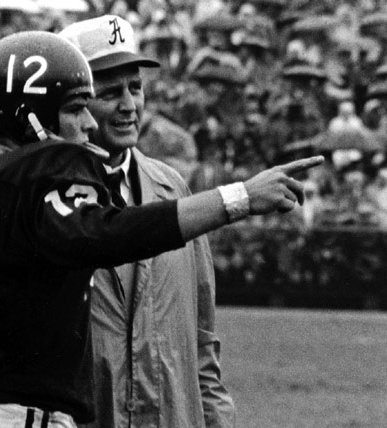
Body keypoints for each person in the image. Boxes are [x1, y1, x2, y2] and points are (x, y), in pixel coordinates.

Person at [0, 30, 323, 428]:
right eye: (79, 106)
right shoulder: (34, 189)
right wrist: (240, 198)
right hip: (32, 415)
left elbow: (200, 343)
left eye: (134, 88)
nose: (89, 122)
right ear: (32, 118)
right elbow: (108, 232)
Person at [60, 15, 233, 427]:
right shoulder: (47, 197)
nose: (128, 105)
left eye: (135, 88)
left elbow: (203, 339)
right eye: (109, 92)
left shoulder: (171, 186)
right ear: (76, 102)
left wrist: (217, 418)